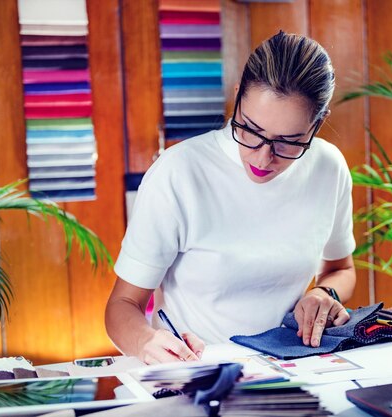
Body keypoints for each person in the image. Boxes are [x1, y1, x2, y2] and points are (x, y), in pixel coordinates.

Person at [105, 31, 357, 365]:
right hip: (198, 372)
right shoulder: (179, 172)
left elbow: (342, 268)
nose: (262, 158)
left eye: (288, 142)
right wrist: (146, 341)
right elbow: (121, 306)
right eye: (250, 130)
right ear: (237, 98)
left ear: (317, 125)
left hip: (295, 367)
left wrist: (324, 293)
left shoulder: (328, 167)